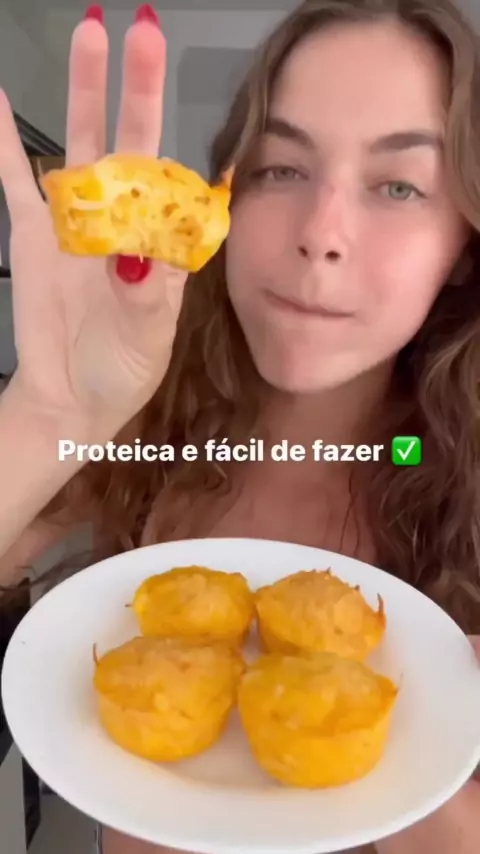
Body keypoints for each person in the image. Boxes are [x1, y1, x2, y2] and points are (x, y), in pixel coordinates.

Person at [0, 0, 479, 852]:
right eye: (281, 169)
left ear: (463, 248)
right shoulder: (150, 428)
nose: (321, 235)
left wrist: (413, 779)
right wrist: (43, 419)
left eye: (399, 185)